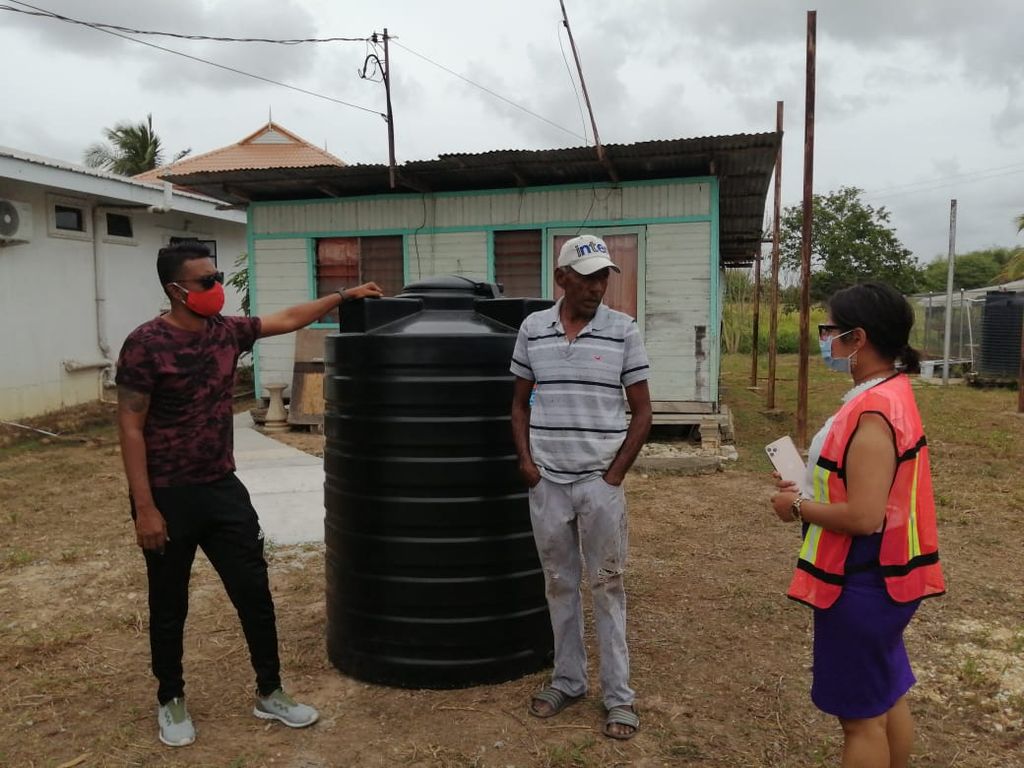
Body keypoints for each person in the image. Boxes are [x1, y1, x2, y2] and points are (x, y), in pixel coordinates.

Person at [116, 240, 382, 747]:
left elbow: (285, 319)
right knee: (169, 603)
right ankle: (170, 698)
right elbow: (130, 426)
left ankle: (270, 691)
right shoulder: (145, 344)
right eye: (205, 282)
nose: (216, 289)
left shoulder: (225, 332)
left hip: (222, 488)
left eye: (216, 278)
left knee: (254, 594)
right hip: (168, 495)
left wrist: (341, 297)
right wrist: (146, 509)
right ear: (176, 290)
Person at [768, 282, 945, 768]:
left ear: (858, 337)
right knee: (886, 696)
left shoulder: (872, 413)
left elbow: (864, 517)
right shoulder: (890, 394)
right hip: (887, 578)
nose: (826, 340)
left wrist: (797, 509)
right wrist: (806, 485)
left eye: (830, 330)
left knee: (860, 720)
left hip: (860, 581)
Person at [510, 234, 652, 740]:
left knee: (608, 587)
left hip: (598, 485)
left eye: (602, 278)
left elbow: (643, 411)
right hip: (547, 482)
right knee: (559, 583)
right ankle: (568, 680)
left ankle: (619, 698)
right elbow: (520, 403)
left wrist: (612, 476)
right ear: (561, 279)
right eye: (586, 277)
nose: (596, 287)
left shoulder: (622, 331)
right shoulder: (533, 329)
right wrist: (527, 462)